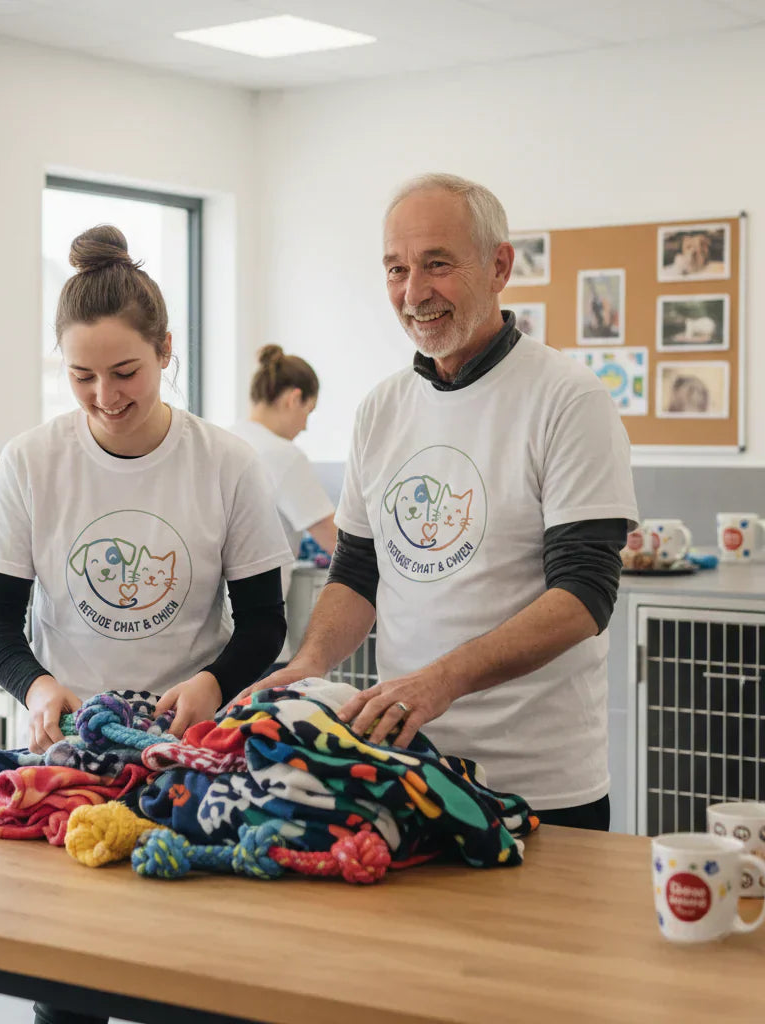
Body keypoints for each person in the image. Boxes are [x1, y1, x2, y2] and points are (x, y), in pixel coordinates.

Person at [0, 225, 292, 1024]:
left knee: (183, 981)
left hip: (192, 758)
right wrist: (41, 689)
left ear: (166, 350)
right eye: (81, 376)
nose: (106, 398)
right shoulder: (33, 461)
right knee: (68, 985)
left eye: (125, 372)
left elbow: (263, 623)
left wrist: (211, 684)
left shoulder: (225, 464)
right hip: (71, 757)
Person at [244, 173, 638, 832]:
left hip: (541, 784)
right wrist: (310, 662)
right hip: (411, 771)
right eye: (396, 269)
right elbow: (357, 572)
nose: (413, 291)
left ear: (499, 266)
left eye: (437, 265)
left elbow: (585, 596)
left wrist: (441, 681)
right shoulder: (382, 410)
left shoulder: (569, 401)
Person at [230, 345, 337, 671]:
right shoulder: (283, 455)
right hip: (260, 637)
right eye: (309, 411)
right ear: (293, 398)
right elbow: (336, 542)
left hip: (213, 634)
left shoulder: (225, 441)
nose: (304, 426)